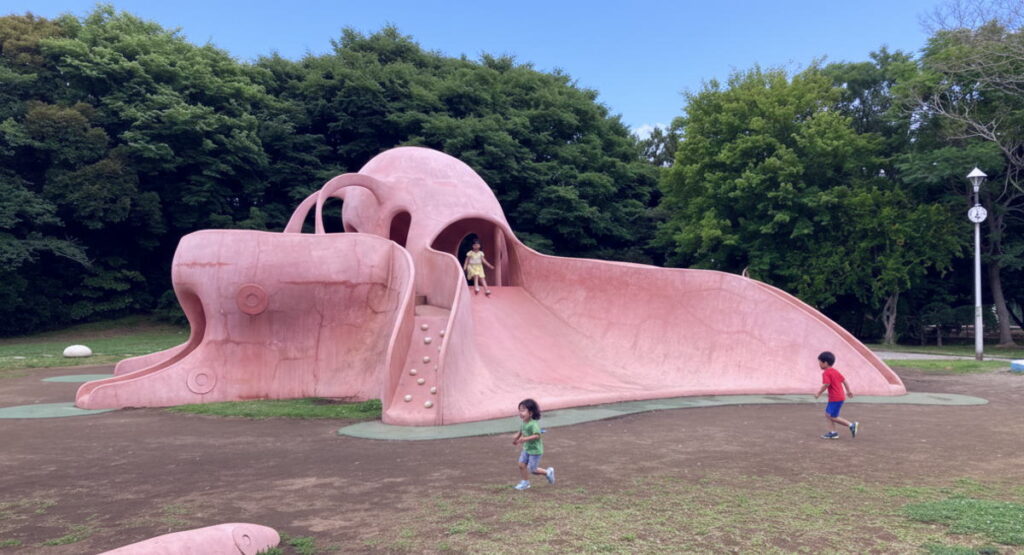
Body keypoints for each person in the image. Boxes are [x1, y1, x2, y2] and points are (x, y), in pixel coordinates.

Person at [813, 351, 859, 440]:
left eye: (819, 362)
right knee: (828, 414)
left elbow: (826, 384)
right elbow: (844, 381)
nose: (819, 364)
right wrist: (848, 391)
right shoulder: (835, 371)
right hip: (839, 397)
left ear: (825, 363)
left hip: (835, 398)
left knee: (832, 416)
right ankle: (833, 433)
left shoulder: (826, 373)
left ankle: (851, 425)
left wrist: (818, 393)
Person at [511, 398, 555, 490]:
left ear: (531, 413)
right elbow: (521, 431)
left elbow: (537, 436)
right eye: (519, 410)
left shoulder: (533, 424)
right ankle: (525, 482)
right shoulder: (524, 422)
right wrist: (516, 438)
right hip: (526, 448)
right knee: (521, 464)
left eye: (523, 410)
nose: (520, 413)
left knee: (533, 470)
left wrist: (524, 439)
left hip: (535, 450)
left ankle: (548, 472)